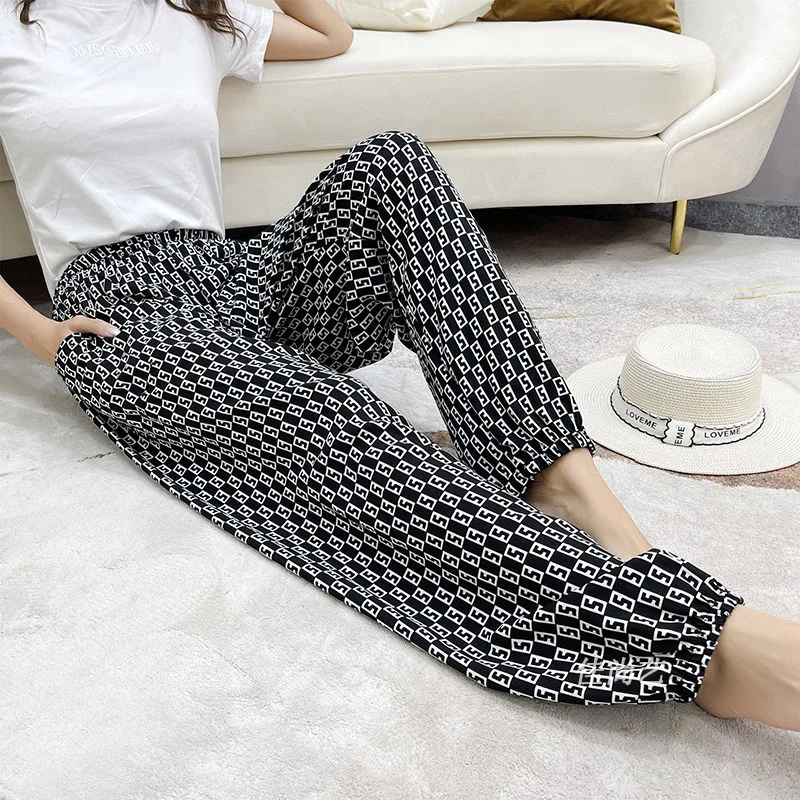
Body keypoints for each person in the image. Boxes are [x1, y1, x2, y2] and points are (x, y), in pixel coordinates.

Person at [1, 0, 798, 731]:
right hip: (122, 315)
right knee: (327, 417)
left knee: (395, 164)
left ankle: (566, 484)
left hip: (231, 273)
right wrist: (42, 336)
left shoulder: (199, 14)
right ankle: (698, 647)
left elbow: (331, 35)